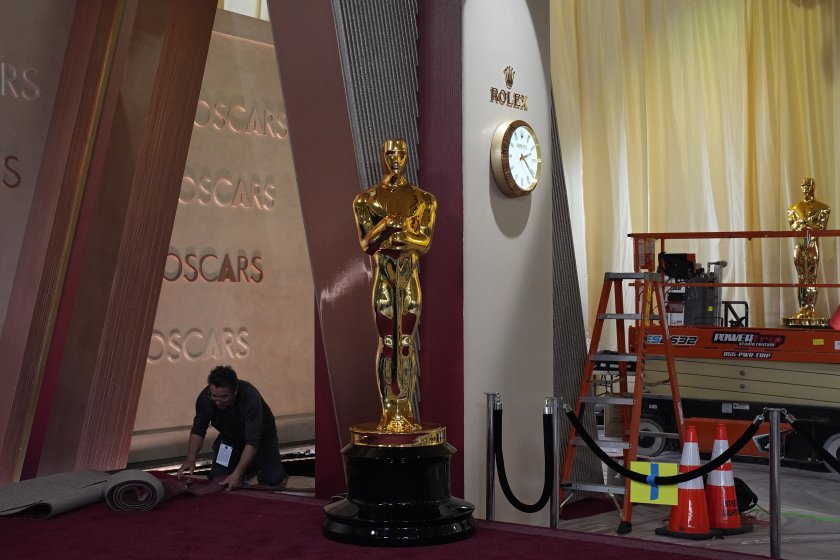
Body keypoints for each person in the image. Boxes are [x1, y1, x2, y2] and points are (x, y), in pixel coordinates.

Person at [352, 138, 437, 433]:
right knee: (387, 342)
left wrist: (401, 238)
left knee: (406, 343)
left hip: (408, 278)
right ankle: (389, 411)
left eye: (400, 153)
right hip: (385, 277)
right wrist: (387, 224)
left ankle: (406, 408)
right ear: (382, 156)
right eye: (390, 153)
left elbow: (424, 242)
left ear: (407, 156)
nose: (396, 158)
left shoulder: (423, 199)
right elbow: (367, 243)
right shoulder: (366, 200)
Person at [177, 365, 286, 490]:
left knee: (273, 480)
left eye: (223, 397)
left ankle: (252, 468)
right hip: (229, 437)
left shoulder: (250, 398)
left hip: (261, 437)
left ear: (235, 392)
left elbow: (252, 441)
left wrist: (237, 473)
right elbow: (198, 430)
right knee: (218, 478)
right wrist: (191, 458)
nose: (217, 401)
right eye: (214, 396)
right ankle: (245, 468)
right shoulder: (205, 398)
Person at [786, 177, 830, 321]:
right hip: (799, 245)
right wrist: (805, 225)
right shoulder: (793, 208)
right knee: (801, 277)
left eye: (809, 185)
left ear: (813, 187)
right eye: (804, 185)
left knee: (811, 277)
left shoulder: (823, 208)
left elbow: (822, 227)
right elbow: (793, 227)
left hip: (812, 245)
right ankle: (802, 308)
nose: (806, 188)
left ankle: (810, 308)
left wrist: (806, 225)